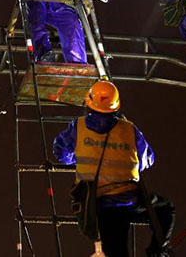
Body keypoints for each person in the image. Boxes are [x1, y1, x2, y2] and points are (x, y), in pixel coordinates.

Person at [53, 81, 175, 256]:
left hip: (97, 205)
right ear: (116, 105)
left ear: (89, 103)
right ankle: (156, 252)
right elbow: (147, 160)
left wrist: (82, 156)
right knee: (165, 209)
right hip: (129, 200)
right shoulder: (129, 129)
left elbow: (61, 153)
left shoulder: (78, 127)